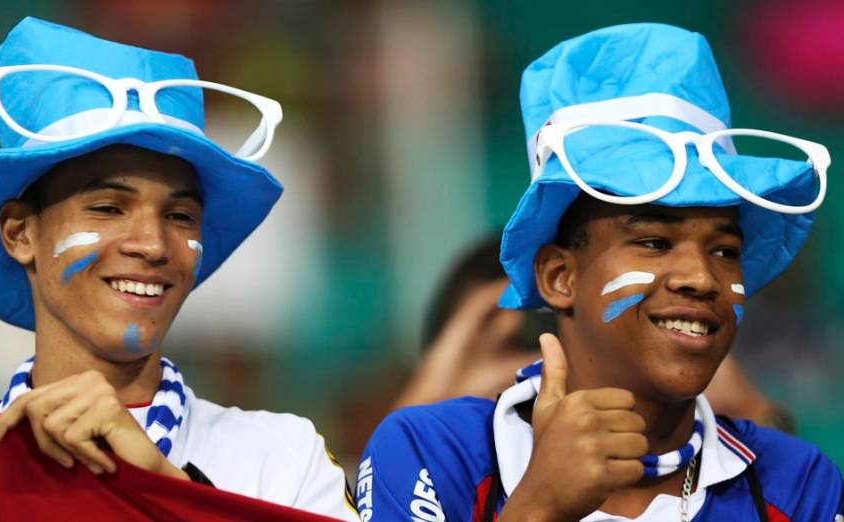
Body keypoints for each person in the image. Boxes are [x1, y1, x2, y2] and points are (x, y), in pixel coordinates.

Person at [357, 23, 842, 521]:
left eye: (724, 251)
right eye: (653, 242)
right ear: (559, 278)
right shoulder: (434, 452)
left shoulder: (800, 480)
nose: (700, 278)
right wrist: (540, 505)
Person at [0, 17, 356, 521]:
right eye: (107, 208)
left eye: (179, 216)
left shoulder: (285, 457)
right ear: (20, 233)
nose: (153, 245)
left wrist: (160, 483)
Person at [393, 236, 797, 435]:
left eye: (561, 327)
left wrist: (748, 414)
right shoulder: (431, 452)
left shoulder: (708, 474)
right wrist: (417, 428)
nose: (541, 371)